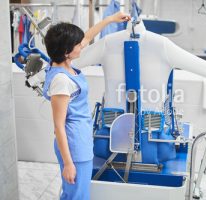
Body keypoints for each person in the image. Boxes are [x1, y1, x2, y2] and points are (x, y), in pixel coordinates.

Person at [42, 12, 130, 200]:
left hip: (79, 140)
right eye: (77, 44)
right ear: (66, 51)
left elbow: (87, 37)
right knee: (76, 196)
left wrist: (112, 19)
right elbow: (58, 125)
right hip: (74, 147)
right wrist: (68, 163)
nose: (82, 46)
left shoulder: (64, 63)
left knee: (76, 193)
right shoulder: (61, 80)